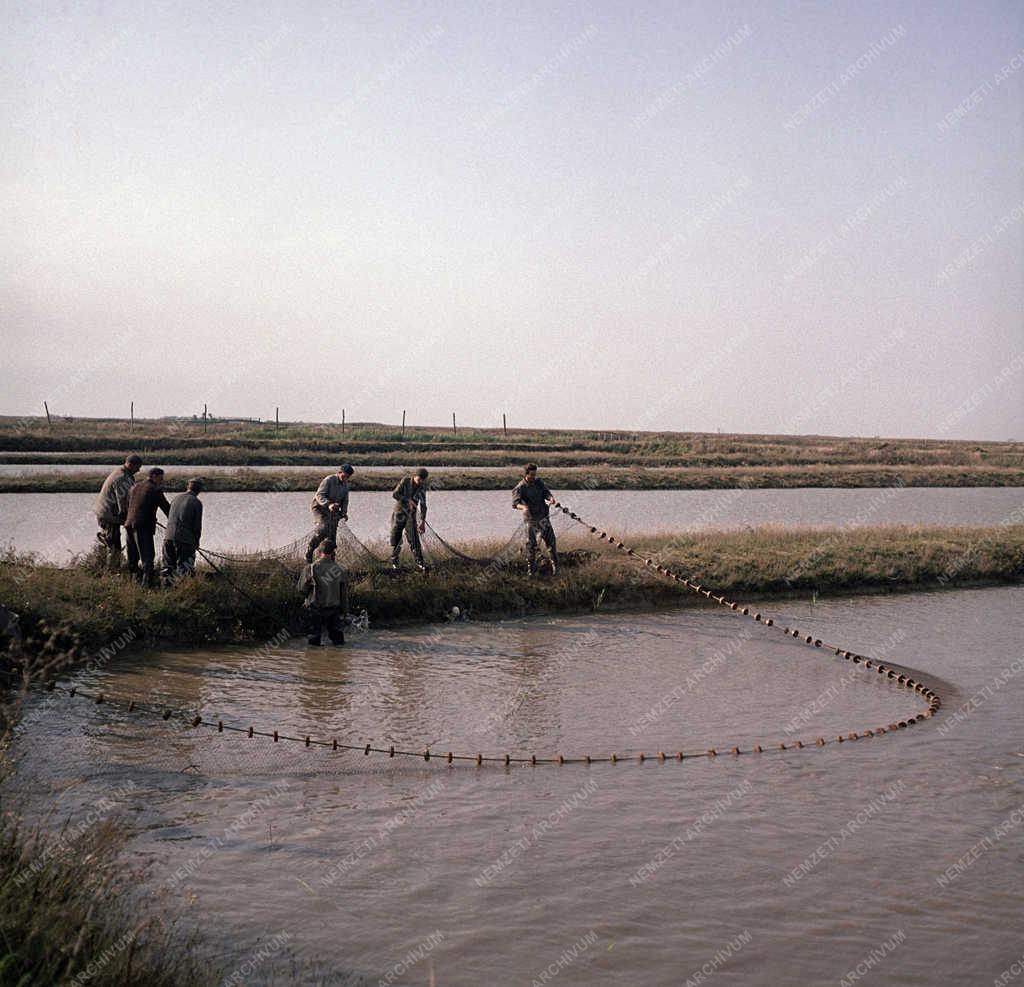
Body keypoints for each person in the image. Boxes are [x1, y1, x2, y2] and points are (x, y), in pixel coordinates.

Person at [94, 454, 142, 571]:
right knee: (114, 544)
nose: (138, 470)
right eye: (137, 467)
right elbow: (123, 502)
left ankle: (103, 566)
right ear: (130, 465)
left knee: (110, 541)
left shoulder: (122, 473)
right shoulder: (122, 478)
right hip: (109, 515)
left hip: (106, 513)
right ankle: (112, 571)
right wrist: (129, 518)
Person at [125, 467, 171, 588]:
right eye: (160, 478)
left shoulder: (134, 487)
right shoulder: (155, 490)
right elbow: (167, 509)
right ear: (153, 476)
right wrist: (176, 523)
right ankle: (147, 586)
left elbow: (129, 505)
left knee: (132, 556)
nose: (161, 481)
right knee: (148, 556)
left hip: (129, 524)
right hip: (143, 526)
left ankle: (131, 583)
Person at [297, 540, 347, 646]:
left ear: (319, 552)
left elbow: (301, 590)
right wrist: (344, 611)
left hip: (315, 610)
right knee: (339, 643)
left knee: (313, 644)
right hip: (334, 610)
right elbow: (344, 595)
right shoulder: (339, 570)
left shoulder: (310, 569)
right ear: (333, 553)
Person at [512, 463, 559, 576]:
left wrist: (551, 498)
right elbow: (515, 503)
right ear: (526, 474)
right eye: (532, 475)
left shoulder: (539, 482)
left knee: (551, 543)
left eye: (535, 474)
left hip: (543, 518)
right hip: (531, 520)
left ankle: (556, 570)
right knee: (531, 545)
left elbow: (546, 493)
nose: (534, 477)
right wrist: (523, 507)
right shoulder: (520, 488)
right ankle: (531, 572)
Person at [306, 464, 354, 563]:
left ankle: (330, 560)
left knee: (332, 536)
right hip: (319, 508)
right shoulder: (329, 480)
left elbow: (345, 500)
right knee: (324, 528)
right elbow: (319, 495)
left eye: (348, 477)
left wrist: (344, 513)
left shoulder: (345, 485)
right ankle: (310, 550)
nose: (345, 478)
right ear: (339, 472)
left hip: (333, 511)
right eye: (344, 476)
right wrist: (328, 504)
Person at [161, 478, 204, 584]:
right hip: (185, 540)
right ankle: (182, 592)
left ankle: (166, 590)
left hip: (168, 537)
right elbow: (196, 526)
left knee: (168, 568)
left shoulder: (176, 498)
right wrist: (196, 542)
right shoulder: (196, 502)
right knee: (184, 569)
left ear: (187, 487)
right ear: (199, 490)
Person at [390, 468, 429, 571]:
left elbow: (424, 505)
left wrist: (423, 522)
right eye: (419, 479)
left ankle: (420, 562)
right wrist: (407, 500)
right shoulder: (405, 481)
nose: (420, 481)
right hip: (399, 513)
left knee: (414, 538)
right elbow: (395, 494)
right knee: (395, 536)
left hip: (411, 516)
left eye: (422, 480)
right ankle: (394, 561)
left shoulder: (422, 487)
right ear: (414, 476)